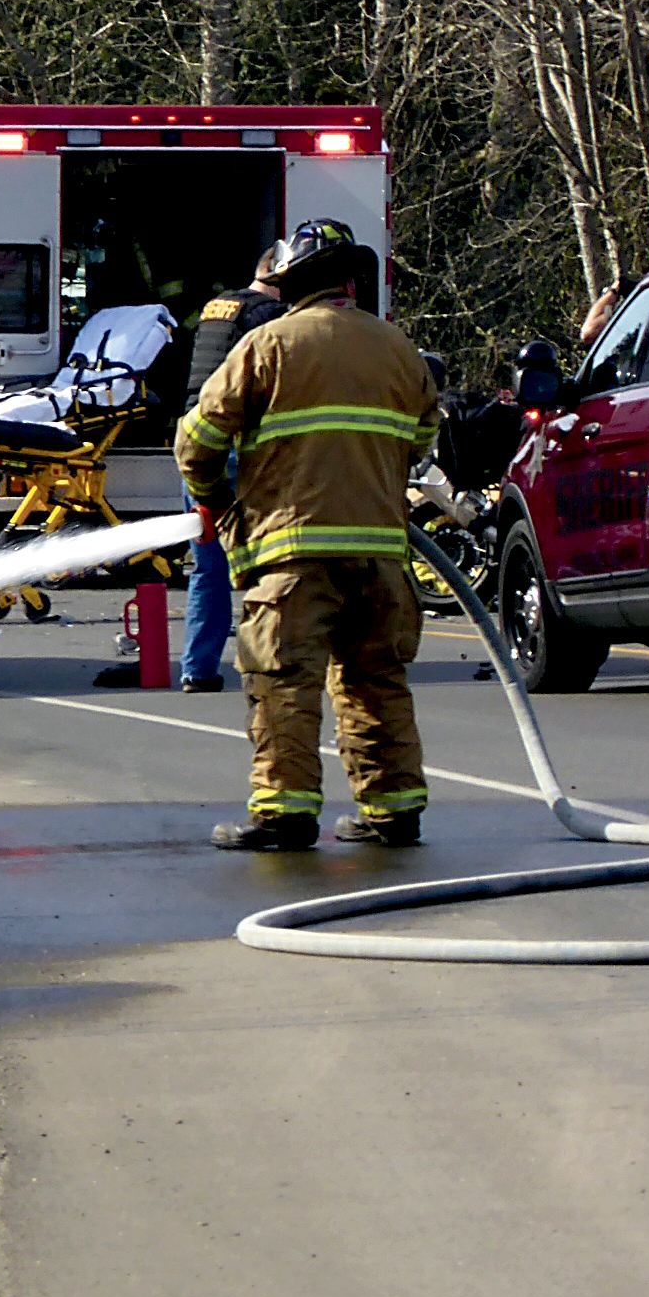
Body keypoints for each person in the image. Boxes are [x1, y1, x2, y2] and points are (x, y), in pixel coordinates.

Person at [177, 218, 442, 851]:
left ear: (290, 283)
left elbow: (198, 439)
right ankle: (393, 812)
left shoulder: (267, 346)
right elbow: (424, 439)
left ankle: (285, 815)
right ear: (349, 281)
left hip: (292, 554)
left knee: (284, 682)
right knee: (375, 681)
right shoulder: (399, 349)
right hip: (381, 556)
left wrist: (215, 501)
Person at [177, 249, 285, 692]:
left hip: (197, 443)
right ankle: (269, 662)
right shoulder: (272, 317)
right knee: (273, 562)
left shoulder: (219, 306)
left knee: (208, 565)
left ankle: (197, 669)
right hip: (240, 448)